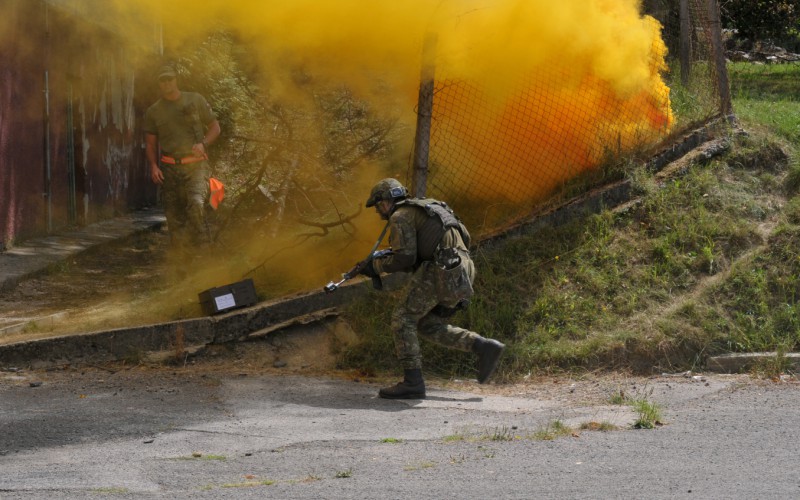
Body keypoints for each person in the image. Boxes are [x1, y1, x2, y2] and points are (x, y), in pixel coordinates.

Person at [358, 178, 505, 399]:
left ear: (386, 201)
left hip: (443, 268)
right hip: (463, 269)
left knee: (403, 318)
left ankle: (412, 383)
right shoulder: (430, 207)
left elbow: (405, 258)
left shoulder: (400, 216)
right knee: (427, 323)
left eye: (379, 206)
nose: (379, 212)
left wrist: (376, 266)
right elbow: (459, 239)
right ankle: (483, 346)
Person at [144, 64, 221, 256]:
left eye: (169, 79)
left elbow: (215, 128)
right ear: (159, 84)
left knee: (195, 203)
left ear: (176, 79)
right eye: (163, 80)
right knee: (173, 216)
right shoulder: (154, 111)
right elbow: (151, 144)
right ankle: (181, 260)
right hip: (169, 169)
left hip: (196, 166)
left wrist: (203, 144)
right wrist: (153, 166)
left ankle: (204, 251)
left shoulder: (195, 100)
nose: (167, 83)